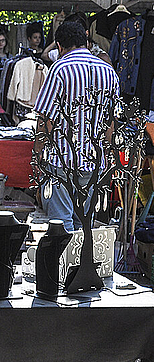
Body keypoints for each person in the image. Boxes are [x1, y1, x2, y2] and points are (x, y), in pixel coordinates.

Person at [34, 21, 119, 232]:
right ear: (86, 40)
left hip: (61, 161)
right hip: (94, 164)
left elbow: (46, 120)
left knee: (61, 227)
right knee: (84, 227)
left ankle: (63, 265)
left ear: (59, 46)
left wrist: (37, 155)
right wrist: (107, 154)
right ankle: (80, 266)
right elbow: (111, 122)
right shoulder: (109, 72)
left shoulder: (60, 69)